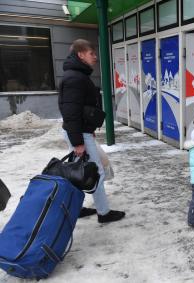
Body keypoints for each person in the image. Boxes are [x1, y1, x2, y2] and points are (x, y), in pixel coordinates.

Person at [59, 39, 125, 223]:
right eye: (91, 53)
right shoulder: (75, 78)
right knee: (96, 172)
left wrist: (88, 130)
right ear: (80, 54)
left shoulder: (76, 75)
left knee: (78, 172)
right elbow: (70, 111)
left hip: (81, 132)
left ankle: (76, 208)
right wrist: (78, 141)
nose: (95, 57)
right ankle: (104, 213)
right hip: (78, 134)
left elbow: (79, 109)